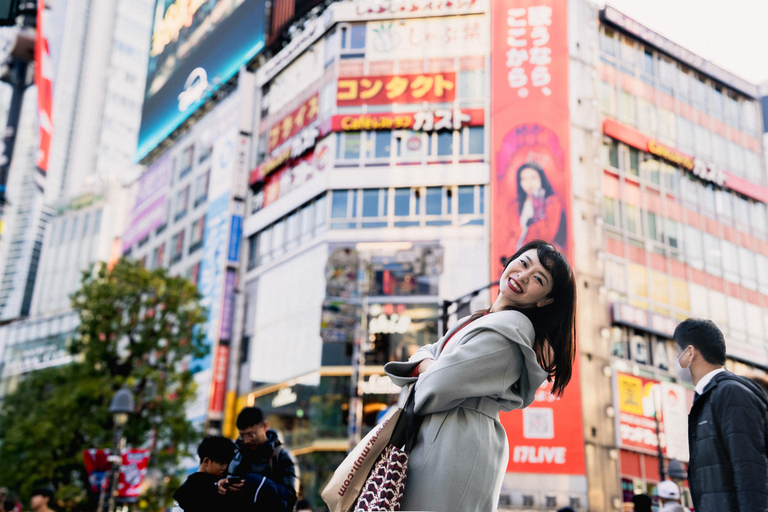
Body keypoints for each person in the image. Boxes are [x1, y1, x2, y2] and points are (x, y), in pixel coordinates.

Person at [384, 240, 576, 511]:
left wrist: (427, 367)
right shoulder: (479, 319)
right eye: (522, 263)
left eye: (538, 279)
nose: (522, 276)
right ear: (510, 262)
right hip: (446, 438)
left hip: (455, 447)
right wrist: (432, 365)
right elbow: (427, 355)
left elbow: (438, 385)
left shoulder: (510, 334)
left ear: (544, 300)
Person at [674, 318, 768, 511]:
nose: (674, 359)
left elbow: (750, 472)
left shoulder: (730, 393)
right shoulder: (709, 396)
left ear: (690, 353)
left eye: (676, 351)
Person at [219, 407, 299, 512]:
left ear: (265, 426)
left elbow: (290, 499)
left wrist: (256, 484)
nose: (247, 441)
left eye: (251, 435)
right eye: (242, 436)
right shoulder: (234, 453)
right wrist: (221, 485)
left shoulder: (282, 456)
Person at [173, 436, 235, 511]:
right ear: (206, 461)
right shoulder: (201, 486)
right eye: (221, 463)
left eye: (227, 464)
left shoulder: (193, 481)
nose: (225, 467)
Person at [514, 162, 565, 250]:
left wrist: (538, 212)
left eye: (533, 178)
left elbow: (547, 236)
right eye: (524, 179)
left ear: (541, 179)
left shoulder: (552, 202)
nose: (529, 183)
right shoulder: (517, 205)